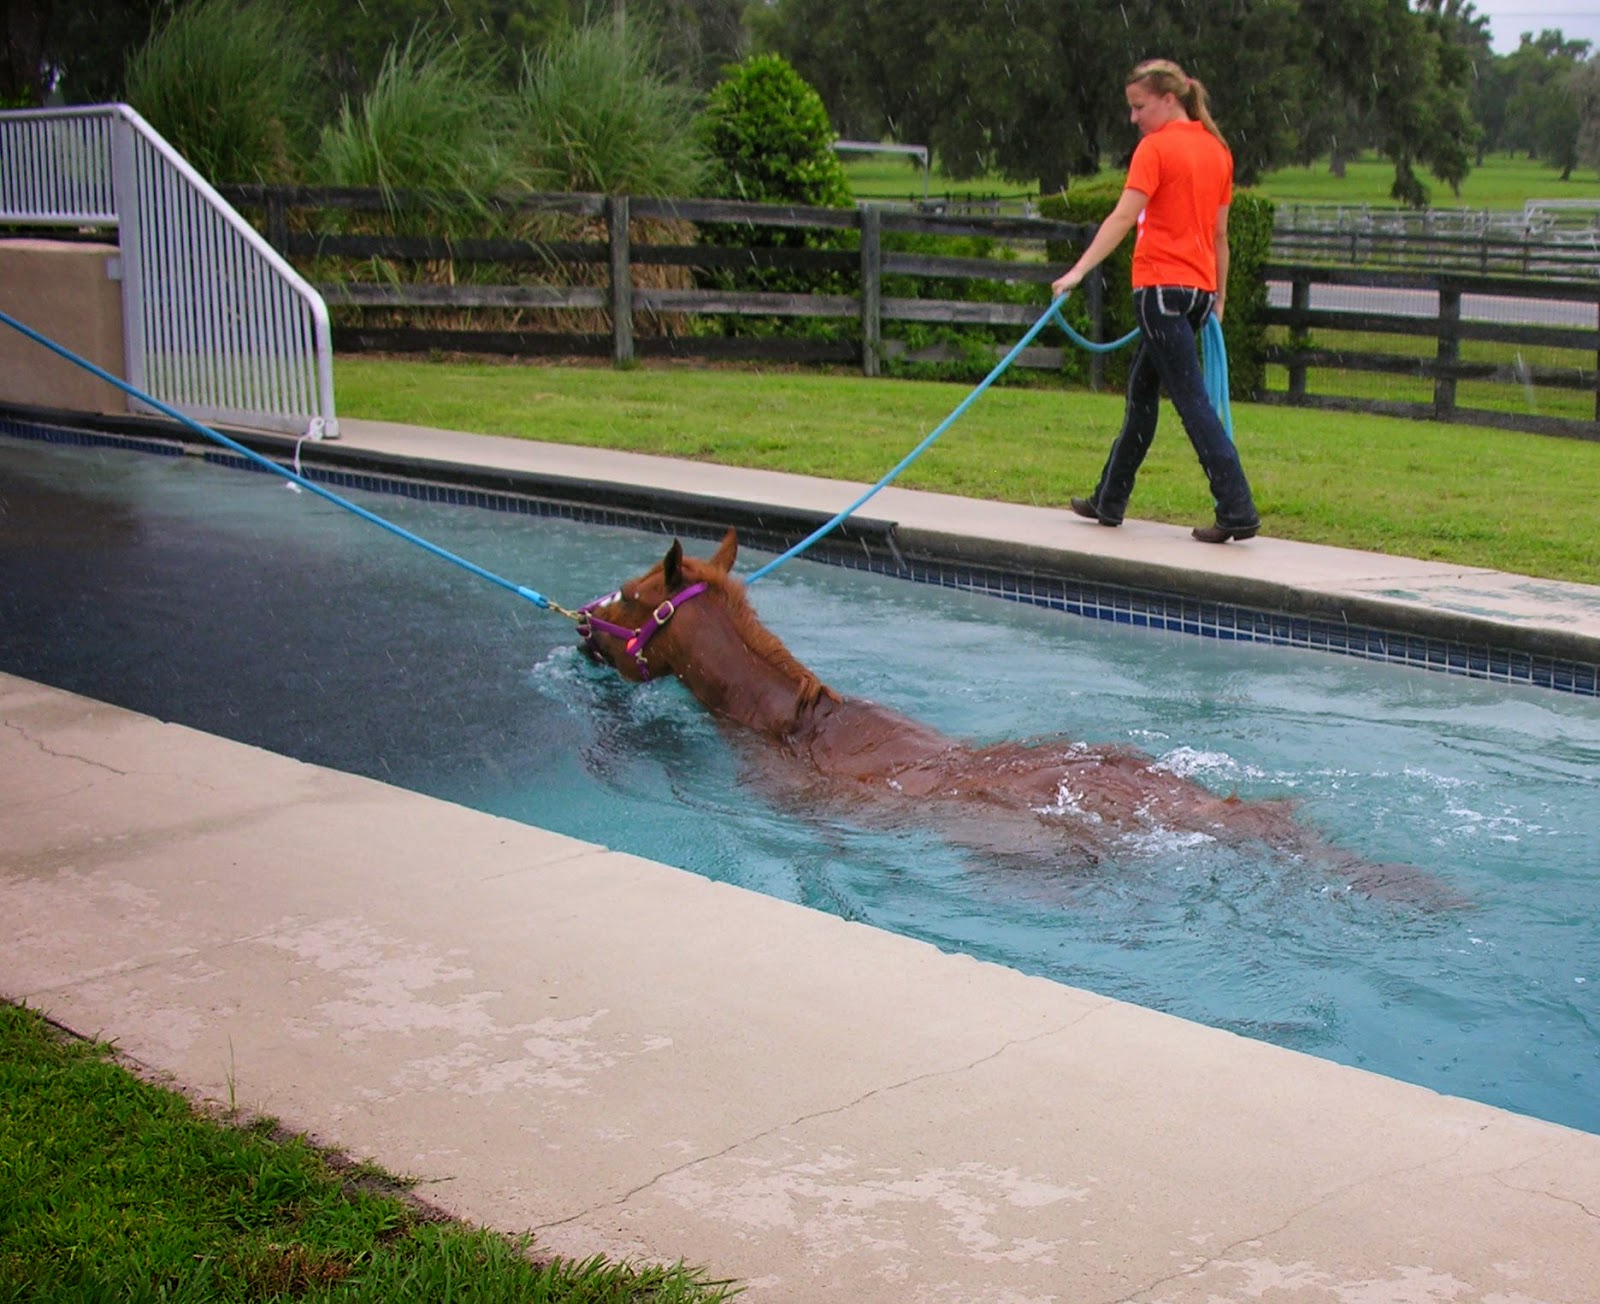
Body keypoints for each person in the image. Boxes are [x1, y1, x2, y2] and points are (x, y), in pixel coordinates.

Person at [1051, 58, 1260, 544]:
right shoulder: (1218, 151)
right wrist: (1219, 297)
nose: (1134, 118)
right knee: (1143, 393)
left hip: (1159, 292)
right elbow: (1220, 234)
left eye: (1139, 106)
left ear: (1170, 100)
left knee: (1191, 401)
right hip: (1196, 295)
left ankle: (1237, 508)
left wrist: (1079, 271)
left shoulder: (1156, 148)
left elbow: (1123, 218)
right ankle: (1110, 498)